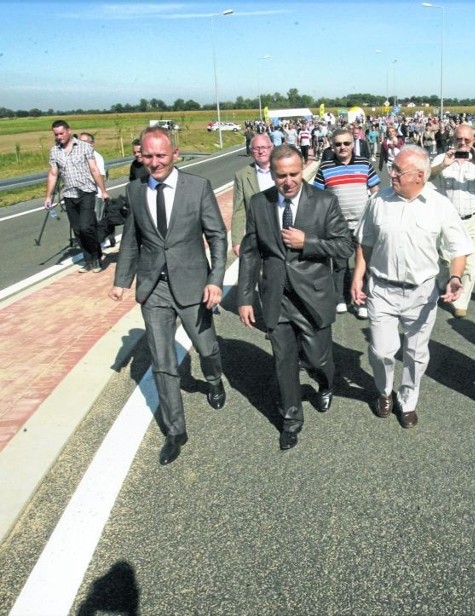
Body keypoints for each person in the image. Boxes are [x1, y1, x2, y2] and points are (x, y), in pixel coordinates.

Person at [109, 126, 228, 466]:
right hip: (153, 288)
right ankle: (176, 431)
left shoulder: (197, 187)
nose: (154, 162)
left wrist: (215, 279)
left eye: (161, 155)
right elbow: (131, 241)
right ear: (140, 155)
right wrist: (122, 280)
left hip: (193, 284)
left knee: (206, 347)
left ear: (175, 153)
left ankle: (214, 379)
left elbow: (217, 237)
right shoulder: (134, 191)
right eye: (148, 155)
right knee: (162, 362)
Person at [237, 145, 354, 451]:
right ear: (272, 174)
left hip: (313, 296)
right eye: (281, 176)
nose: (288, 181)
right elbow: (250, 253)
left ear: (303, 170)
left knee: (317, 358)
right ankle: (291, 419)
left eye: (293, 174)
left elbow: (344, 246)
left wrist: (309, 242)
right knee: (283, 361)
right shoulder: (259, 204)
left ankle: (326, 383)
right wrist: (245, 297)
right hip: (277, 296)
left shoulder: (324, 201)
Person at [351, 145, 472, 429]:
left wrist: (455, 278)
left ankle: (408, 400)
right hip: (381, 288)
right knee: (382, 351)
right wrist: (358, 276)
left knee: (416, 353)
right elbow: (365, 241)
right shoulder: (379, 200)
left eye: (396, 170)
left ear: (419, 176)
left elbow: (459, 248)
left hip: (422, 292)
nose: (390, 173)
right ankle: (384, 391)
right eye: (391, 167)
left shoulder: (440, 205)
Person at [313, 127, 381, 316]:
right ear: (332, 146)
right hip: (337, 225)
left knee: (364, 264)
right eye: (338, 144)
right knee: (340, 264)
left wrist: (377, 215)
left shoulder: (364, 163)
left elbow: (375, 190)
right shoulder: (325, 167)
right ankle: (340, 298)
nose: (342, 147)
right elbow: (317, 196)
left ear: (353, 144)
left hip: (363, 223)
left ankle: (361, 301)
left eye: (346, 143)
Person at [429, 124, 475, 318]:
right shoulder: (443, 158)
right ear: (453, 140)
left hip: (472, 217)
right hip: (447, 219)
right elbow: (426, 176)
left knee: (469, 261)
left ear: (473, 141)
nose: (463, 144)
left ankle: (461, 301)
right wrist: (443, 165)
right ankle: (445, 282)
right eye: (459, 140)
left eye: (467, 140)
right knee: (445, 258)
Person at [44, 120, 110, 273]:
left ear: (68, 131)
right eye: (56, 134)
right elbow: (53, 174)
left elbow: (94, 169)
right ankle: (88, 260)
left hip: (86, 192)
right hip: (69, 194)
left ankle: (96, 256)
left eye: (61, 133)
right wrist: (48, 196)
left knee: (87, 227)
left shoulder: (84, 147)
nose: (59, 136)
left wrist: (103, 190)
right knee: (78, 230)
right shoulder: (55, 151)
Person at [232, 133, 274, 256]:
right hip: (257, 234)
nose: (261, 151)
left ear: (271, 148)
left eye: (264, 147)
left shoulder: (281, 169)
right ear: (251, 152)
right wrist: (237, 241)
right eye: (256, 148)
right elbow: (239, 209)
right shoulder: (242, 175)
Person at [78, 132, 116, 249]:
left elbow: (102, 176)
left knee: (97, 219)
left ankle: (101, 242)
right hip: (81, 194)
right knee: (85, 221)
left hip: (96, 193)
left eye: (85, 142)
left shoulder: (97, 157)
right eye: (80, 142)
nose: (81, 145)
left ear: (92, 143)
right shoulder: (77, 157)